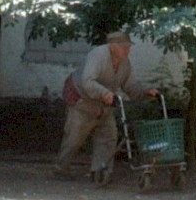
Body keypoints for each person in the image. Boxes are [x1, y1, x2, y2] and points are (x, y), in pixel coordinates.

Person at [55, 31, 159, 186]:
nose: (127, 50)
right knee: (74, 138)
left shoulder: (124, 63)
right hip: (82, 100)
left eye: (129, 46)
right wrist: (104, 93)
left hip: (105, 105)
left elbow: (130, 87)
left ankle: (100, 172)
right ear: (112, 46)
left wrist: (146, 92)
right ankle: (60, 170)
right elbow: (87, 81)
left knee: (108, 137)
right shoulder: (97, 56)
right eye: (124, 47)